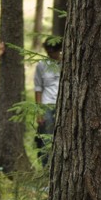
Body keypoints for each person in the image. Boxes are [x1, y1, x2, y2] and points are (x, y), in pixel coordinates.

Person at [34, 38, 62, 168]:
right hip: (47, 105)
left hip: (64, 105)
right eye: (48, 51)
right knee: (47, 138)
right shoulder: (41, 65)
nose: (50, 54)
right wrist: (39, 112)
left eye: (52, 51)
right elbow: (38, 89)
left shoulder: (68, 62)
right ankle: (46, 168)